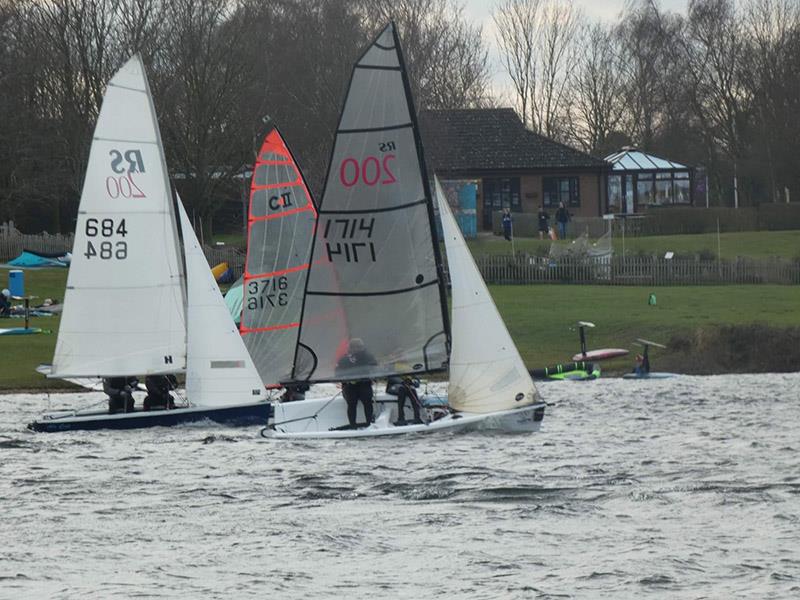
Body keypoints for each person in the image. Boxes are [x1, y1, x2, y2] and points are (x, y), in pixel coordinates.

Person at [335, 338, 377, 428]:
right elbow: (337, 373)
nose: (358, 349)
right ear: (351, 348)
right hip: (349, 386)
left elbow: (375, 368)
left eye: (360, 347)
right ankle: (353, 425)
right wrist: (347, 379)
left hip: (364, 384)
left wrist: (372, 376)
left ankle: (370, 424)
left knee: (367, 401)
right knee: (352, 403)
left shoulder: (368, 357)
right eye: (356, 347)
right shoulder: (344, 359)